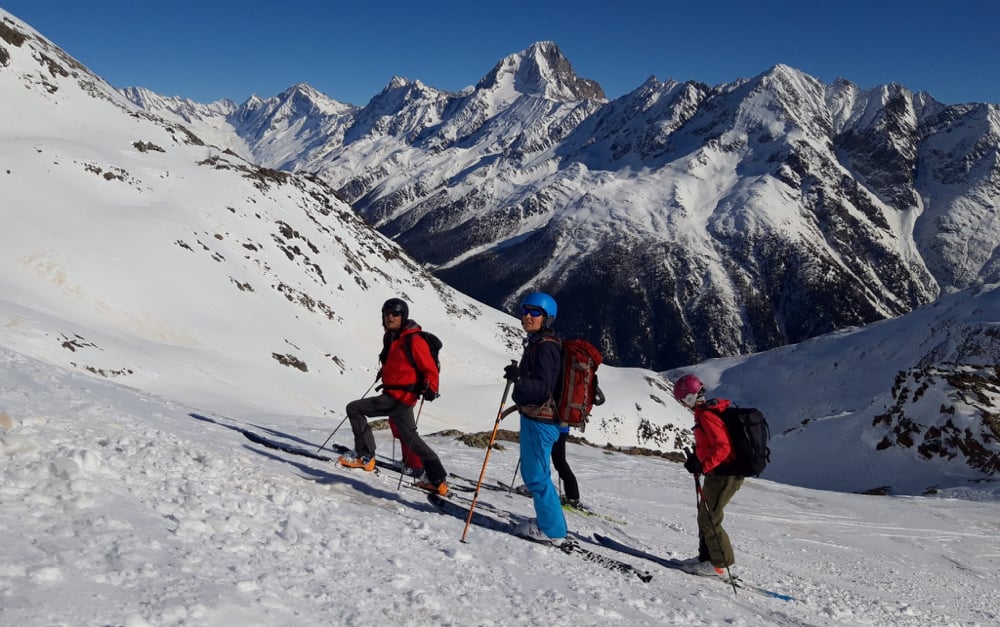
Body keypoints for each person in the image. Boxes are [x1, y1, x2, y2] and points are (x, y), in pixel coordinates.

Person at [338, 297, 448, 496]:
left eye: (395, 314)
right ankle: (436, 478)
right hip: (398, 395)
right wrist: (385, 373)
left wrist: (432, 388)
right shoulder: (392, 337)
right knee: (410, 438)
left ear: (403, 316)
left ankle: (365, 457)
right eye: (387, 314)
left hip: (398, 397)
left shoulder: (413, 339)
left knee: (354, 409)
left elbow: (429, 367)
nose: (390, 317)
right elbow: (398, 363)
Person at [503, 291, 568, 545]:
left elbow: (543, 388)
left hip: (541, 420)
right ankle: (549, 522)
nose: (528, 316)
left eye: (535, 312)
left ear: (547, 318)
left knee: (536, 476)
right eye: (525, 311)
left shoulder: (546, 347)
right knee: (536, 473)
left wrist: (519, 379)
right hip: (537, 418)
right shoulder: (538, 342)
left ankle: (552, 530)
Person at [673, 373, 744, 577]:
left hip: (725, 475)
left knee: (710, 518)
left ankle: (719, 565)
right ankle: (706, 558)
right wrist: (697, 458)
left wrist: (702, 466)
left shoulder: (707, 415)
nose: (682, 404)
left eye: (682, 400)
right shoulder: (705, 412)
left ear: (689, 397)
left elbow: (723, 448)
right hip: (717, 473)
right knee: (705, 515)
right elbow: (710, 444)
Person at [552, 425, 580, 508]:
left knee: (540, 459)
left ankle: (535, 488)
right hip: (563, 430)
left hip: (550, 428)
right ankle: (572, 497)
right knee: (560, 463)